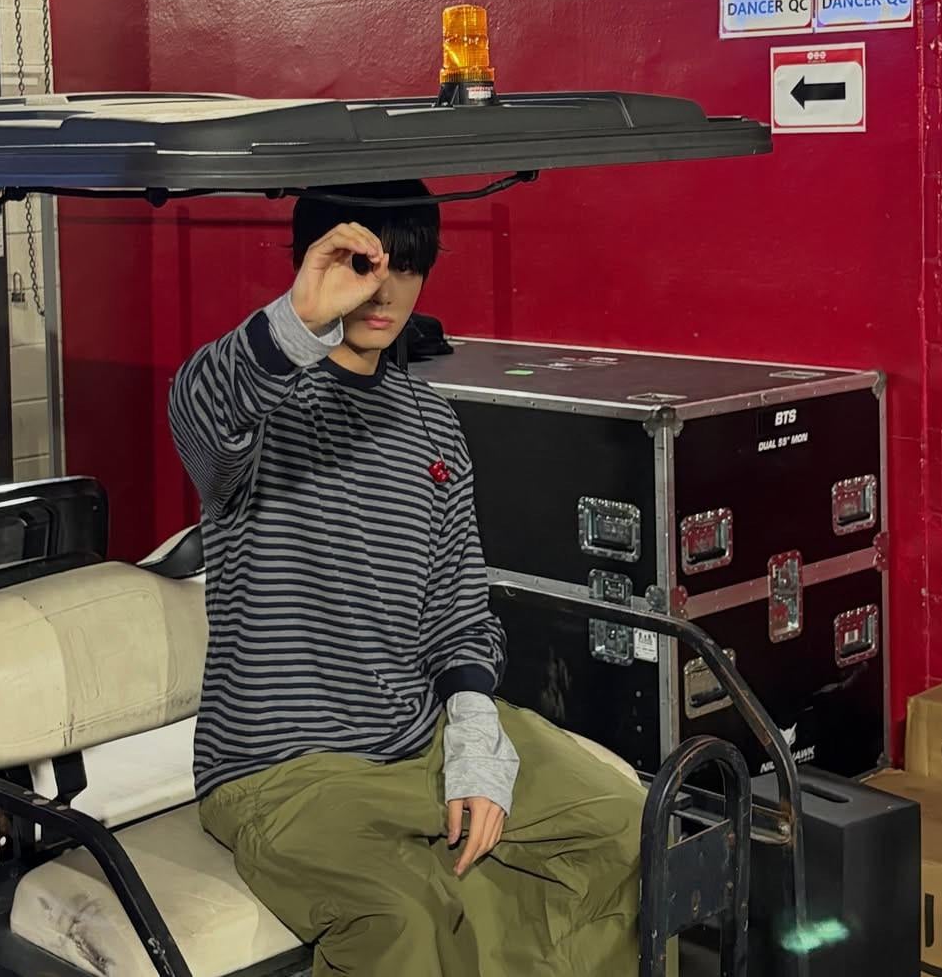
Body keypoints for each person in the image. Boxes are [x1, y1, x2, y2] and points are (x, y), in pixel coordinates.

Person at [169, 181, 644, 977]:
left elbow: (459, 610)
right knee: (404, 917)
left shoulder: (432, 424)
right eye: (361, 265)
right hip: (282, 769)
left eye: (408, 266)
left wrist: (472, 733)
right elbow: (200, 409)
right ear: (314, 265)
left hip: (414, 736)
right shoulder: (266, 406)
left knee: (623, 823)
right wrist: (296, 319)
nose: (385, 291)